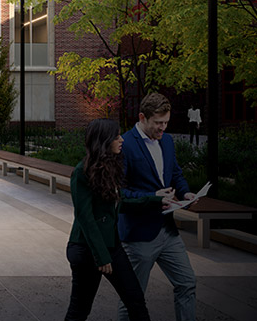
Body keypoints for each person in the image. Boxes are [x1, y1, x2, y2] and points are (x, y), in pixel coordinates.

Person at [64, 119, 163, 321]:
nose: (121, 140)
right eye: (116, 136)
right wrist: (101, 257)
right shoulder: (81, 172)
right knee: (80, 310)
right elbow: (85, 217)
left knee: (135, 300)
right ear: (104, 140)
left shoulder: (111, 166)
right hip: (87, 250)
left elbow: (120, 202)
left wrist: (158, 200)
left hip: (111, 245)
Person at [117, 93, 197, 321]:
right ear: (142, 117)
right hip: (139, 235)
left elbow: (175, 173)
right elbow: (119, 194)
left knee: (187, 283)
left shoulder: (168, 141)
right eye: (158, 123)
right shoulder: (125, 145)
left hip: (168, 232)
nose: (163, 128)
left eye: (166, 123)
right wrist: (153, 196)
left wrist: (186, 192)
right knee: (132, 298)